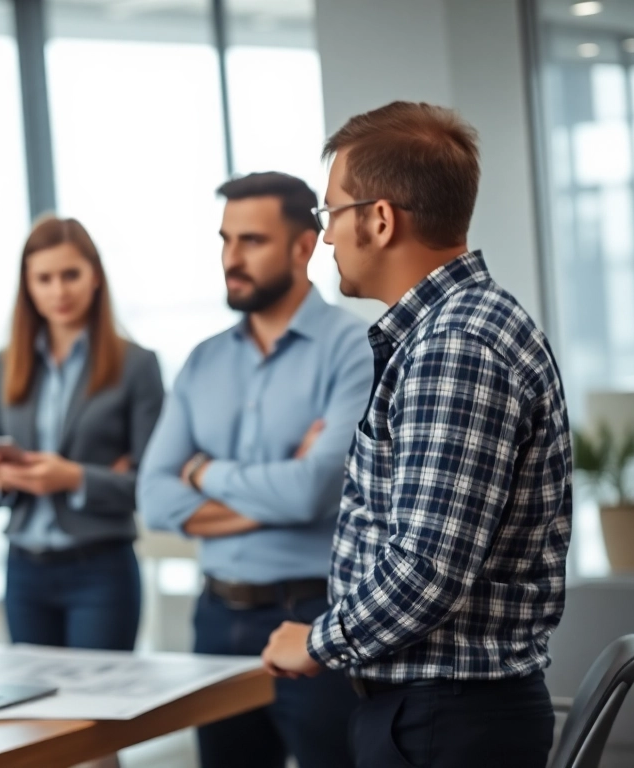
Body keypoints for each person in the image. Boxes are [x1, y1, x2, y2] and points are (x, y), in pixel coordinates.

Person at [262, 102, 572, 768]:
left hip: (445, 721)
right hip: (440, 714)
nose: (324, 239)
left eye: (329, 215)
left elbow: (428, 568)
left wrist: (319, 641)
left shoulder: (453, 346)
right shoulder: (455, 330)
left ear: (378, 219)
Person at [138, 172, 370, 768]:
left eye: (251, 241)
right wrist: (279, 488)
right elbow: (155, 499)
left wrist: (203, 473)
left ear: (302, 246)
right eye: (225, 240)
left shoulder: (355, 348)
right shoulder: (203, 361)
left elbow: (314, 490)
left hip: (316, 617)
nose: (230, 258)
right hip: (215, 625)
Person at [0, 216, 164, 652]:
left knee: (99, 711)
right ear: (28, 286)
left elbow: (154, 486)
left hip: (100, 568)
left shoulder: (137, 365)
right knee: (40, 716)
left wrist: (73, 478)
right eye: (44, 278)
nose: (59, 291)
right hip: (23, 569)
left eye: (70, 275)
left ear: (94, 276)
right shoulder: (7, 365)